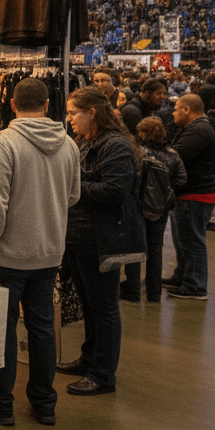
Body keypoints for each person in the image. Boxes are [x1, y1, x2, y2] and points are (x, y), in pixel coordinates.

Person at [0, 78, 80, 427]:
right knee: (42, 327)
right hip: (49, 251)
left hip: (10, 254)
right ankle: (44, 404)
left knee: (3, 328)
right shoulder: (68, 144)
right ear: (46, 105)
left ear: (12, 105)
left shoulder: (5, 142)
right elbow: (73, 196)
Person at [59, 87, 143, 396]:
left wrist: (73, 186)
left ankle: (103, 374)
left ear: (92, 112)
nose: (69, 120)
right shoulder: (87, 142)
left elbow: (114, 191)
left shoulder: (115, 145)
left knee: (104, 308)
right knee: (90, 305)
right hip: (82, 237)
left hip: (103, 240)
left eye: (72, 113)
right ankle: (89, 359)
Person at [123, 117, 185, 303]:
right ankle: (154, 293)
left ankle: (133, 291)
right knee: (156, 249)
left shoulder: (139, 153)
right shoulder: (173, 154)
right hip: (161, 208)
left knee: (134, 248)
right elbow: (182, 179)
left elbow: (132, 179)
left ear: (144, 133)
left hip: (139, 207)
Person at [165, 93, 215, 300]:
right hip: (191, 193)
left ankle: (195, 286)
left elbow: (175, 157)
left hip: (195, 194)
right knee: (184, 241)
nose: (173, 113)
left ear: (187, 109)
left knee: (192, 242)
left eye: (176, 109)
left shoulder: (199, 130)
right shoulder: (197, 128)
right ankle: (183, 276)